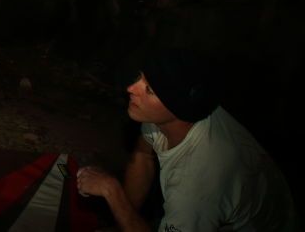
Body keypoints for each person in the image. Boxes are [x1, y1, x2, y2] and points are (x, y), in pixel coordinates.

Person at [76, 48, 299, 231]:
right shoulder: (174, 112)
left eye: (149, 90)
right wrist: (122, 220)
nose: (131, 89)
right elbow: (143, 155)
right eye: (141, 78)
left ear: (177, 108)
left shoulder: (196, 186)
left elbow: (194, 197)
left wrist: (112, 192)